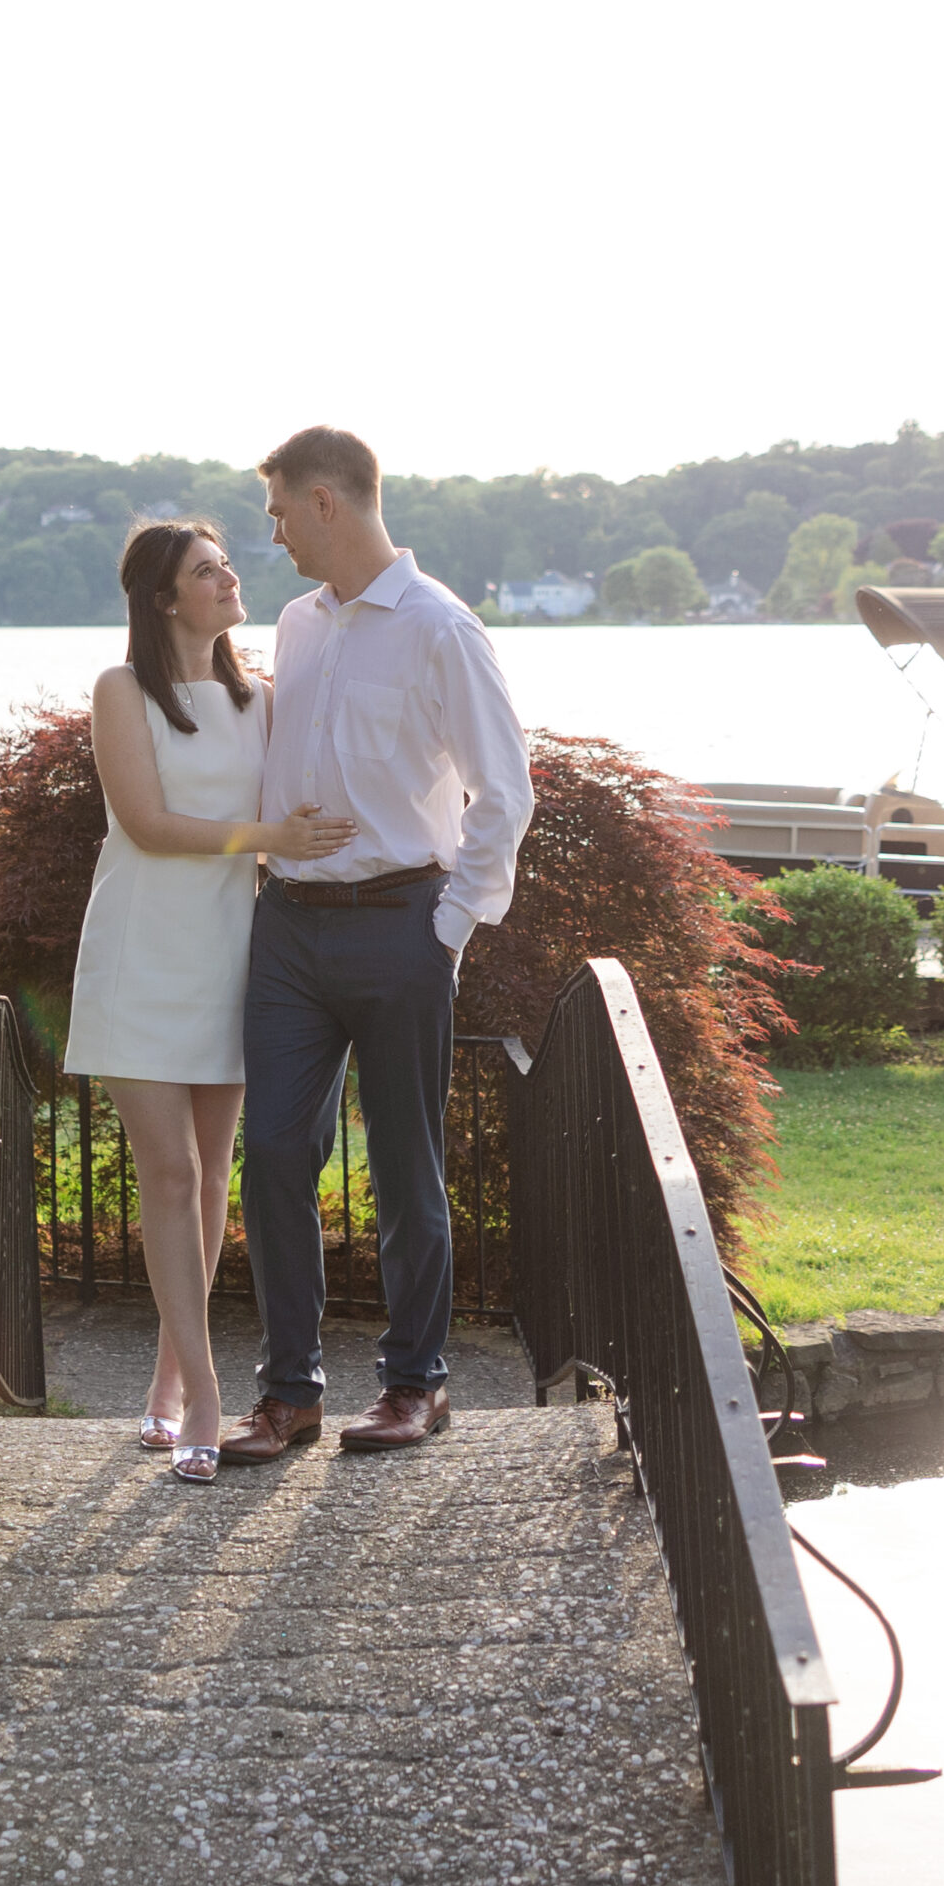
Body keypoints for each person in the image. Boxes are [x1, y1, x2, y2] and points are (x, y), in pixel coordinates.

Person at [220, 429, 534, 1467]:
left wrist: (446, 928)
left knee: (407, 1168)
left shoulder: (443, 628)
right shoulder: (297, 624)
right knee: (271, 1152)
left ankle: (415, 1383)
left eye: (274, 511)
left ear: (325, 502)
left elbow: (506, 791)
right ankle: (289, 1393)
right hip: (291, 928)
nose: (268, 533)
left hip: (403, 922)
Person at [63, 519, 357, 1484]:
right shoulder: (121, 691)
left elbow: (303, 807)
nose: (229, 579)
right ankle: (206, 1395)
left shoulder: (259, 697)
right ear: (162, 598)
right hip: (142, 954)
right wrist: (268, 834)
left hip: (235, 959)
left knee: (211, 1174)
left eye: (227, 564)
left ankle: (165, 1382)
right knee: (171, 1178)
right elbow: (146, 826)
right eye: (206, 571)